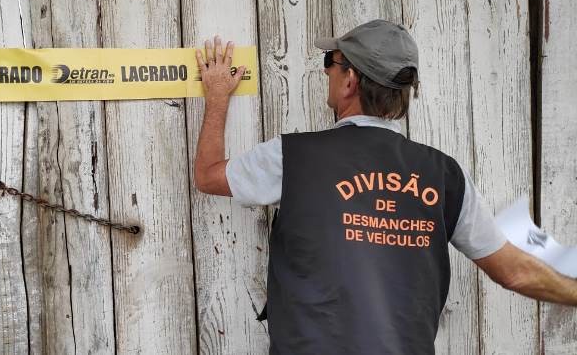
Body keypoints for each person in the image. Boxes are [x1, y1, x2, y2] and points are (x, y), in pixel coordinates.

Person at [193, 20, 577, 354]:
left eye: (332, 63)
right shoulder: (444, 174)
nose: (326, 71)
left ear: (350, 80)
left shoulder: (293, 157)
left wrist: (216, 97)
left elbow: (209, 175)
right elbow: (514, 272)